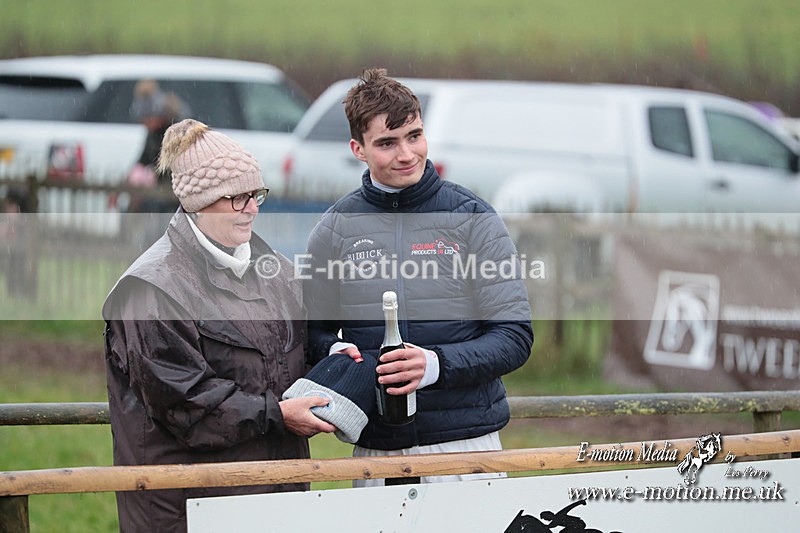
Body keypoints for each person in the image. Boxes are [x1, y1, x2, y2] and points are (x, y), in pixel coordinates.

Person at [304, 68, 534, 486]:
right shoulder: (334, 228)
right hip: (376, 450)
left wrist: (434, 365)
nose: (407, 154)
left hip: (466, 446)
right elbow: (311, 335)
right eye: (387, 143)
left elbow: (515, 337)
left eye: (414, 135)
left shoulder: (472, 218)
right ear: (358, 148)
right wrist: (340, 355)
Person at [102, 118, 335, 532]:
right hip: (187, 510)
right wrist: (279, 416)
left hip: (278, 503)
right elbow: (187, 405)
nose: (252, 208)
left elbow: (288, 362)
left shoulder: (279, 273)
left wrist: (333, 362)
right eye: (236, 197)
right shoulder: (151, 290)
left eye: (256, 194)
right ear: (198, 200)